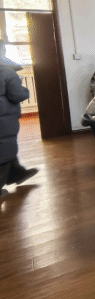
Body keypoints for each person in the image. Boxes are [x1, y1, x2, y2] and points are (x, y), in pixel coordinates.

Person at [0, 63, 38, 198]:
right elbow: (17, 94)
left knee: (7, 148)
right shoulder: (7, 71)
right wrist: (25, 91)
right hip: (3, 119)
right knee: (5, 150)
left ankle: (17, 174)